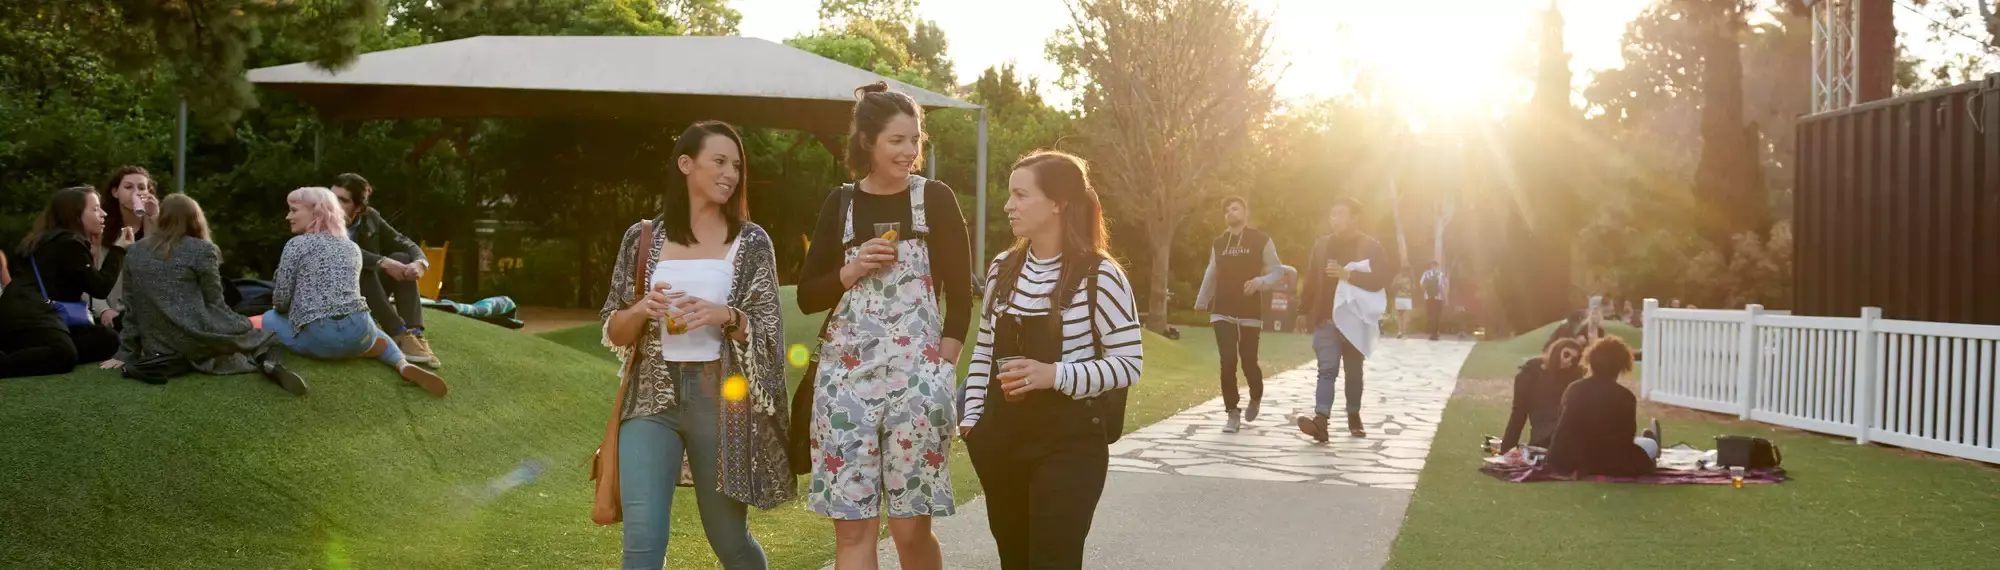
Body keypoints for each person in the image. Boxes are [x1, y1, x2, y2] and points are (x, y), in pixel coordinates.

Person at [599, 121, 794, 569]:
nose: (731, 173)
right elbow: (614, 329)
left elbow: (768, 332)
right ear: (686, 165)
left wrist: (724, 315)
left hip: (720, 401)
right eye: (719, 162)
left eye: (737, 165)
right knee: (642, 542)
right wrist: (643, 308)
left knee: (730, 541)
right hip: (650, 400)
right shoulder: (642, 238)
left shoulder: (752, 242)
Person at [796, 81, 972, 570]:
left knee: (911, 532)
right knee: (853, 532)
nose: (910, 150)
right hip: (845, 386)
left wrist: (942, 370)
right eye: (898, 140)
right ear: (867, 141)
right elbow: (808, 296)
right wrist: (851, 270)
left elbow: (960, 296)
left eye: (915, 139)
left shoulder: (934, 200)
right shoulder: (841, 204)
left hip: (917, 383)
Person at [961, 151, 1142, 568]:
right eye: (1010, 195)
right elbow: (985, 351)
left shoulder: (1102, 276)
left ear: (1058, 202)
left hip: (1071, 444)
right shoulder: (1002, 268)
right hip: (1001, 441)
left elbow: (1129, 363)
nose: (1009, 205)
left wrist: (1053, 374)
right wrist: (972, 422)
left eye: (1021, 195)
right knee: (1015, 560)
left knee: (1053, 560)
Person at [105, 194, 306, 390]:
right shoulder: (202, 249)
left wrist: (126, 354)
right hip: (197, 335)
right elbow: (215, 302)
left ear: (163, 217)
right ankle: (266, 363)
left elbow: (132, 309)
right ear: (195, 219)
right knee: (267, 337)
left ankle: (188, 359)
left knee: (231, 341)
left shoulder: (135, 251)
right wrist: (240, 324)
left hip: (158, 345)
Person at [263, 187, 443, 397]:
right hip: (360, 332)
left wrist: (288, 308)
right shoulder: (351, 248)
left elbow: (281, 301)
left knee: (269, 318)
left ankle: (273, 358)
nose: (288, 216)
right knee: (373, 332)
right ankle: (401, 364)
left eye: (294, 210)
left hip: (321, 338)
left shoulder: (296, 245)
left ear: (316, 211)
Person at [1294, 198, 1398, 441]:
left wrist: (1347, 275)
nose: (1334, 219)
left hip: (1355, 320)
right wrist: (1302, 311)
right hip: (1325, 319)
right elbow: (1311, 280)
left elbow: (1381, 279)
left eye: (1340, 214)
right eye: (1332, 215)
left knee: (1353, 372)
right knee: (1326, 370)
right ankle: (1321, 420)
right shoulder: (1321, 246)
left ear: (1354, 217)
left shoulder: (1370, 247)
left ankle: (1354, 415)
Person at [0, 187, 125, 378]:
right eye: (95, 209)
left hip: (33, 310)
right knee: (63, 354)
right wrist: (118, 251)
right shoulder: (68, 243)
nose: (103, 213)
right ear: (75, 215)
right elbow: (100, 287)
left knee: (108, 339)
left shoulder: (48, 239)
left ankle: (32, 352)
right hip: (29, 312)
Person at [1192, 195, 1284, 433]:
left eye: (1235, 209)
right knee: (1227, 361)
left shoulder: (1261, 239)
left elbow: (1277, 272)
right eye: (1227, 210)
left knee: (1249, 361)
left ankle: (1256, 395)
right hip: (1222, 310)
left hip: (1249, 311)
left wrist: (1260, 281)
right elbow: (1211, 272)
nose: (1230, 213)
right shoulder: (1220, 242)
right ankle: (1232, 412)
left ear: (1245, 212)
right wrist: (1202, 299)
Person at [331, 173, 439, 368]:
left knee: (402, 258)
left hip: (369, 294)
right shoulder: (320, 218)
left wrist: (420, 263)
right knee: (361, 265)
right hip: (336, 297)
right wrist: (382, 261)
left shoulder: (370, 217)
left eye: (343, 200)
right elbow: (340, 249)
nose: (334, 204)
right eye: (332, 197)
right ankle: (397, 331)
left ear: (359, 208)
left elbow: (403, 241)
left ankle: (413, 333)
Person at [1544, 337, 1657, 477]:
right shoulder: (1625, 396)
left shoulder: (1573, 389)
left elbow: (1562, 430)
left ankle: (1650, 440)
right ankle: (1652, 441)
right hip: (1611, 463)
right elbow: (1626, 438)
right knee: (1649, 447)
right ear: (1621, 366)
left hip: (1574, 461)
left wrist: (1555, 460)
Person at [91, 165, 161, 331]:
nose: (136, 192)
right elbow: (88, 277)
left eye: (142, 187)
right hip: (115, 312)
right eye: (128, 187)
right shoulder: (101, 230)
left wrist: (155, 218)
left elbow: (166, 264)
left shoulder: (157, 226)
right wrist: (103, 310)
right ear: (115, 192)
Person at [1499, 337, 1584, 453]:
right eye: (1566, 354)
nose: (1568, 361)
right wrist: (1507, 449)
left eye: (1574, 359)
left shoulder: (1572, 379)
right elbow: (1518, 414)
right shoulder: (1529, 373)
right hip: (1544, 436)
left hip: (1567, 433)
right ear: (1557, 351)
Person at [1419, 261, 1448, 341]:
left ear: (1430, 266)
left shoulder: (1426, 274)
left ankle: (1431, 333)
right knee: (1437, 316)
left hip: (1428, 297)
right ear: (1437, 266)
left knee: (1430, 315)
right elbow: (1442, 287)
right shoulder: (1441, 274)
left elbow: (1422, 284)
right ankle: (1436, 333)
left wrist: (1427, 293)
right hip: (1438, 298)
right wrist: (1445, 298)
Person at [1392, 273, 1413, 340]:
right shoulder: (1407, 278)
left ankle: (1402, 331)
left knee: (1402, 315)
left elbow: (1393, 287)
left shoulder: (1397, 278)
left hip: (1402, 297)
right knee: (1402, 315)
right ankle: (1401, 331)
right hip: (1403, 297)